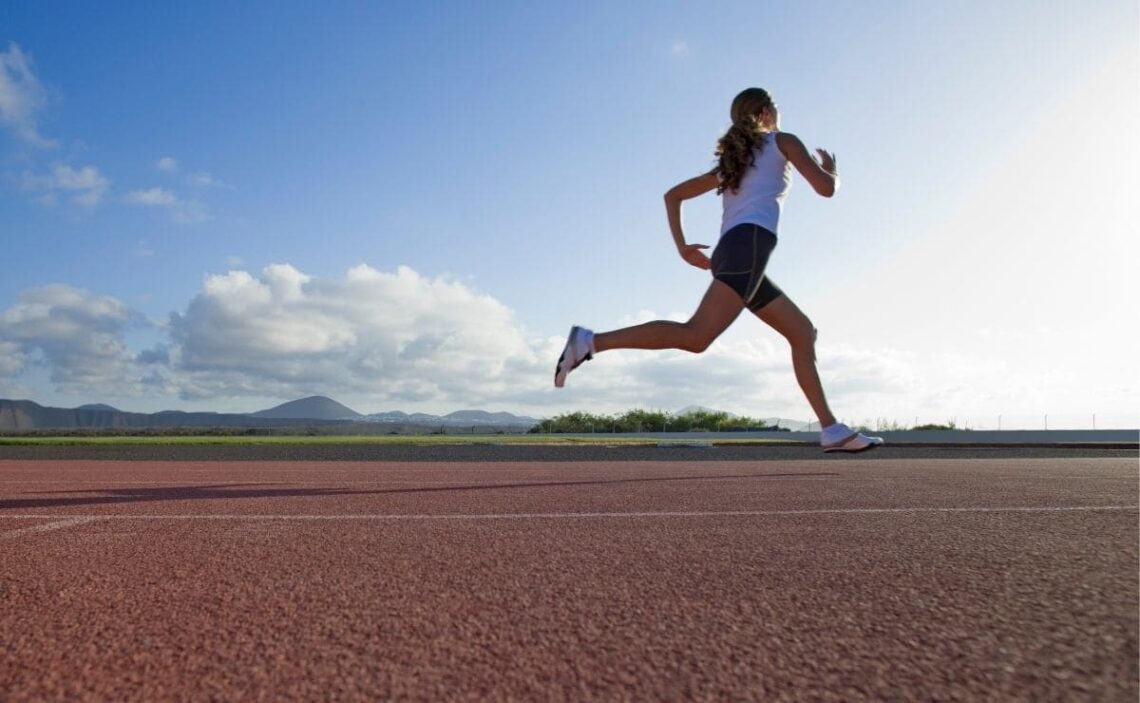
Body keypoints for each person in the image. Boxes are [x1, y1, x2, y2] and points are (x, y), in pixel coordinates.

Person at [554, 87, 883, 453]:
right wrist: (832, 171)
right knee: (696, 336)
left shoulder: (734, 164)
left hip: (736, 251)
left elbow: (672, 195)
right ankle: (590, 341)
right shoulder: (782, 141)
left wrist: (682, 247)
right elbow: (825, 189)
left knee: (802, 331)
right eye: (775, 106)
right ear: (765, 111)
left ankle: (830, 428)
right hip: (749, 248)